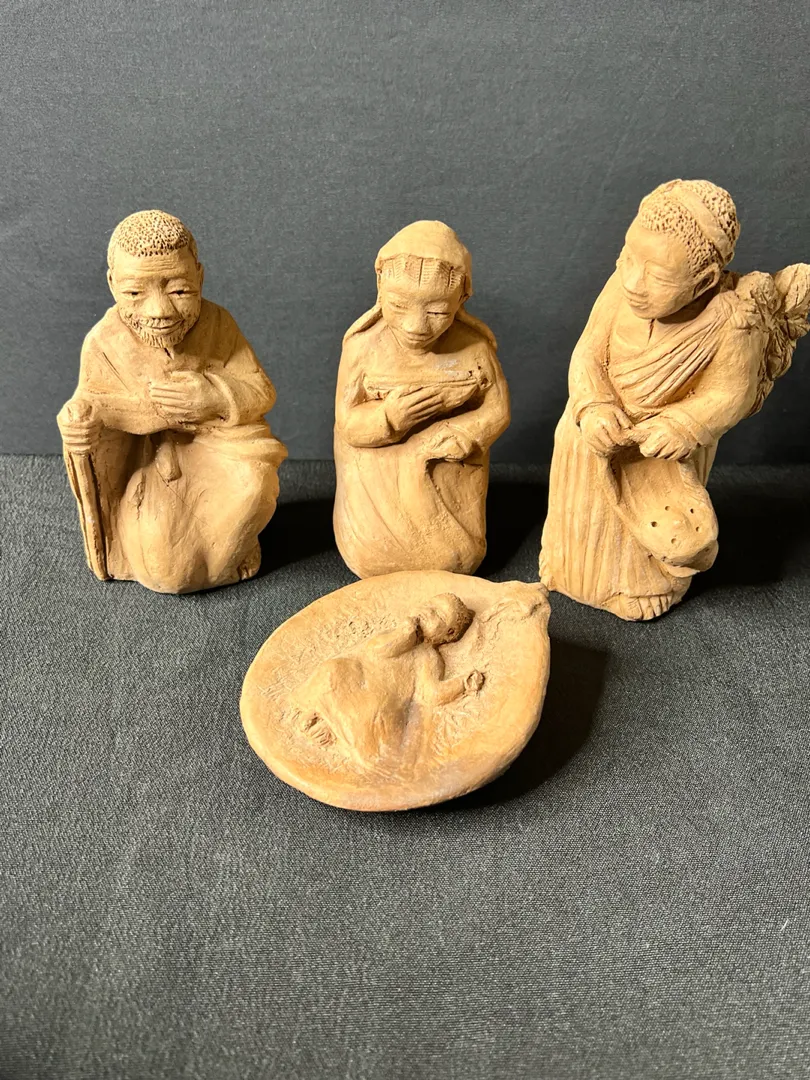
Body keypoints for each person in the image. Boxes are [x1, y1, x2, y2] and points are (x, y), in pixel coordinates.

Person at [540, 179, 810, 620]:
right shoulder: (619, 288)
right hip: (593, 429)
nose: (633, 280)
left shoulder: (733, 320)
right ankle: (568, 568)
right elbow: (587, 351)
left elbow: (731, 393)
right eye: (628, 257)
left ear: (704, 280)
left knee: (651, 522)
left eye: (659, 275)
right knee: (580, 502)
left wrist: (683, 425)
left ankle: (640, 584)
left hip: (661, 447)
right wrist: (593, 404)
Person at [57, 210, 287, 593]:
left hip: (218, 446)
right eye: (135, 293)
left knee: (254, 486)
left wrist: (213, 396)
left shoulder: (217, 323)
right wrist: (81, 425)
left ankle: (231, 553)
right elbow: (90, 407)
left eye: (179, 291)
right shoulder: (104, 343)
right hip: (149, 464)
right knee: (166, 570)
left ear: (199, 276)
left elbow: (261, 390)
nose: (159, 311)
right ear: (113, 284)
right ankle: (186, 558)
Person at [333, 220, 510, 578]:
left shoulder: (474, 348)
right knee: (371, 551)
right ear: (381, 290)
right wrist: (389, 419)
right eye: (398, 306)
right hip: (378, 484)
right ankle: (378, 547)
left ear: (461, 300)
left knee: (458, 556)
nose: (416, 325)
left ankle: (446, 549)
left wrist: (465, 434)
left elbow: (498, 410)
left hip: (445, 471)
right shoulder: (362, 348)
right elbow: (347, 423)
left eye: (437, 312)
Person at [290, 593, 484, 776]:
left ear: (449, 633)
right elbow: (377, 649)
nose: (428, 611)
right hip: (350, 680)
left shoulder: (429, 658)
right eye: (429, 604)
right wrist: (404, 634)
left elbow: (431, 694)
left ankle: (330, 730)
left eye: (438, 614)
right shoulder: (397, 632)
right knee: (332, 670)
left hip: (375, 700)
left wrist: (462, 684)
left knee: (368, 715)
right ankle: (316, 714)